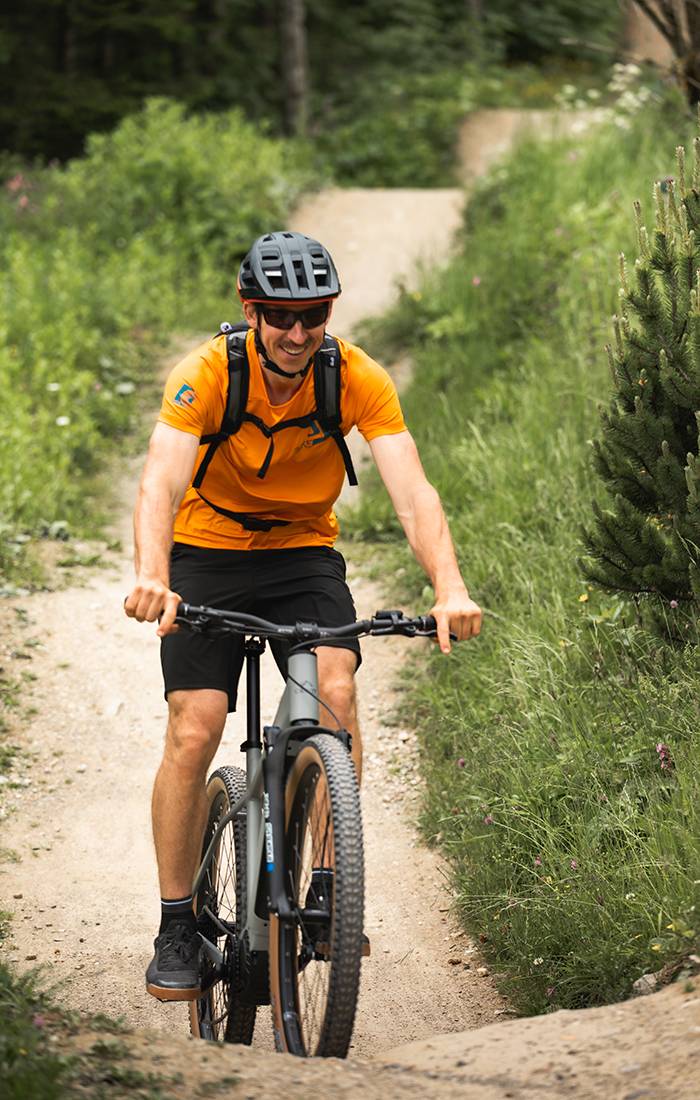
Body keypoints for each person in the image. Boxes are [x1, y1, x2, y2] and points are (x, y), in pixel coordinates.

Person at [124, 230, 481, 1000]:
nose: (296, 332)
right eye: (280, 316)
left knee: (337, 692)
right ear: (252, 312)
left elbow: (413, 491)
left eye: (313, 315)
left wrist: (449, 585)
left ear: (328, 314)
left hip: (300, 557)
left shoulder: (355, 377)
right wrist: (155, 577)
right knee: (196, 722)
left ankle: (327, 884)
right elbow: (159, 483)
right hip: (205, 552)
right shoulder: (208, 374)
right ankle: (176, 921)